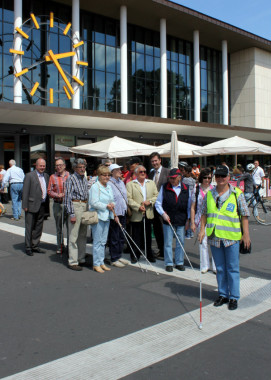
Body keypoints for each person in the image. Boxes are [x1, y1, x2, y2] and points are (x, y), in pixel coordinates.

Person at [198, 165, 251, 310]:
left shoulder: (236, 194)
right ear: (215, 178)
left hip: (231, 237)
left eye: (223, 176)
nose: (220, 179)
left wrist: (246, 235)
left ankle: (234, 297)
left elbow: (244, 215)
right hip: (214, 236)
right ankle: (223, 294)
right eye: (218, 176)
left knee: (232, 268)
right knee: (220, 268)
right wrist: (202, 230)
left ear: (228, 177)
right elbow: (204, 213)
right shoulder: (210, 194)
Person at [155, 168, 191, 272]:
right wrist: (163, 214)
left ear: (179, 177)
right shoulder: (164, 187)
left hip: (181, 218)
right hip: (168, 218)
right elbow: (158, 203)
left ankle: (179, 262)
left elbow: (188, 206)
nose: (172, 180)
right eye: (170, 178)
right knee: (168, 242)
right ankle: (169, 263)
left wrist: (188, 219)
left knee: (180, 242)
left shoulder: (186, 188)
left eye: (174, 178)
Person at [126, 165, 158, 263]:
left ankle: (149, 254)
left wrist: (150, 202)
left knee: (148, 235)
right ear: (136, 174)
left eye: (144, 171)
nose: (143, 173)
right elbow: (129, 199)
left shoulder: (151, 183)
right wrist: (137, 207)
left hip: (148, 213)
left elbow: (156, 195)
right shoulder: (130, 184)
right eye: (141, 172)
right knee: (136, 236)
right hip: (137, 214)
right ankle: (135, 255)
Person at [89, 165, 115, 273]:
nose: (107, 177)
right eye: (104, 175)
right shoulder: (95, 187)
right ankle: (96, 263)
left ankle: (101, 262)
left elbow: (112, 199)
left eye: (108, 175)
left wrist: (112, 204)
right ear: (99, 176)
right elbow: (93, 202)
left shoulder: (109, 186)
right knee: (97, 241)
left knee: (103, 241)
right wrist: (106, 206)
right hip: (98, 216)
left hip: (107, 216)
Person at [190, 168, 216, 274]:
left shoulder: (214, 189)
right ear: (201, 178)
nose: (207, 179)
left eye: (209, 177)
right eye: (205, 177)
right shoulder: (196, 189)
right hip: (200, 219)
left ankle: (215, 266)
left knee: (214, 243)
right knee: (203, 242)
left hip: (212, 219)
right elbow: (192, 207)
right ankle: (204, 265)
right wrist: (192, 222)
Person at [64, 158, 88, 271]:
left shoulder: (84, 178)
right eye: (80, 167)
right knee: (74, 235)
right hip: (76, 205)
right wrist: (71, 213)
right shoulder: (71, 178)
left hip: (84, 205)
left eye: (83, 167)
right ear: (75, 168)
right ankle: (73, 261)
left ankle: (81, 258)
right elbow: (67, 197)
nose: (82, 169)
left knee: (83, 234)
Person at [22, 158, 49, 256]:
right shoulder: (29, 175)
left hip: (42, 205)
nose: (42, 167)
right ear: (36, 165)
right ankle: (28, 247)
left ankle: (35, 245)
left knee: (39, 226)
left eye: (43, 166)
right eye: (40, 166)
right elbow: (25, 191)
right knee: (29, 227)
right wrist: (24, 205)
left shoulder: (46, 176)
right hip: (31, 205)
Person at [148, 152, 170, 260]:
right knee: (157, 229)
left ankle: (166, 252)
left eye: (156, 160)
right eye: (152, 161)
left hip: (164, 206)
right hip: (153, 206)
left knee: (165, 229)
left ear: (160, 160)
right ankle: (161, 250)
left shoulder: (167, 172)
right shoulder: (151, 173)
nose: (154, 163)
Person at [108, 163, 129, 268]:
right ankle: (114, 257)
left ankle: (119, 255)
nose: (120, 171)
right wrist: (114, 214)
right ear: (112, 172)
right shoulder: (109, 183)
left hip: (123, 212)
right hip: (115, 213)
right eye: (117, 170)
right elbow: (110, 199)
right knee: (114, 235)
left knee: (121, 235)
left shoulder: (121, 182)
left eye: (120, 169)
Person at [47, 157, 70, 254]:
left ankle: (70, 247)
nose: (58, 167)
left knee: (70, 227)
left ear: (64, 166)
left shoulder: (69, 175)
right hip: (57, 204)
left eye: (60, 165)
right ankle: (60, 246)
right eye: (57, 165)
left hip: (68, 204)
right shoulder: (52, 177)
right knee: (59, 227)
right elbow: (49, 191)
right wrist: (57, 195)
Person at [182, 165, 196, 239]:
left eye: (184, 171)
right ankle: (191, 233)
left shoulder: (183, 180)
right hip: (192, 198)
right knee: (190, 216)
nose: (183, 172)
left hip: (186, 198)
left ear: (187, 172)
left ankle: (188, 233)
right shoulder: (193, 180)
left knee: (187, 216)